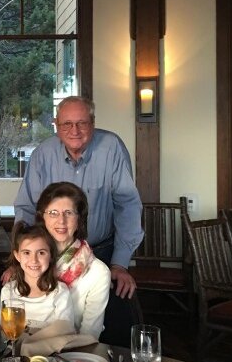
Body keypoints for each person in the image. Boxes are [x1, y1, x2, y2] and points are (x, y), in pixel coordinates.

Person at [14, 96, 142, 298]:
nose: (75, 131)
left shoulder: (112, 147)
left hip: (101, 255)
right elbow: (27, 208)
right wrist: (22, 260)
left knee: (112, 321)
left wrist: (120, 264)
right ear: (56, 125)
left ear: (92, 123)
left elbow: (127, 206)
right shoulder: (43, 154)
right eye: (67, 124)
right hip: (51, 257)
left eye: (82, 123)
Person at [35, 182, 111, 339]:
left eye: (69, 213)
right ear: (43, 217)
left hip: (70, 353)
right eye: (53, 213)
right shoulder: (31, 260)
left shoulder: (98, 272)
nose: (61, 221)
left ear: (79, 219)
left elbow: (89, 336)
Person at [0, 223, 75, 330]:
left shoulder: (60, 292)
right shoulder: (8, 291)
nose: (34, 260)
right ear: (17, 256)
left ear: (51, 256)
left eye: (41, 253)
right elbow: (6, 329)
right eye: (26, 253)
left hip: (50, 346)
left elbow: (65, 331)